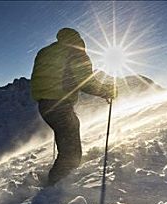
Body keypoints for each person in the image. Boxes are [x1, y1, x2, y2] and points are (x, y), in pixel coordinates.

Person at [31, 28, 115, 185]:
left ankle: (58, 179)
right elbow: (86, 82)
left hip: (45, 104)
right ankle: (56, 186)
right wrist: (107, 90)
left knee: (66, 137)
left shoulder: (46, 51)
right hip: (60, 104)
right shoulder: (74, 52)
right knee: (71, 152)